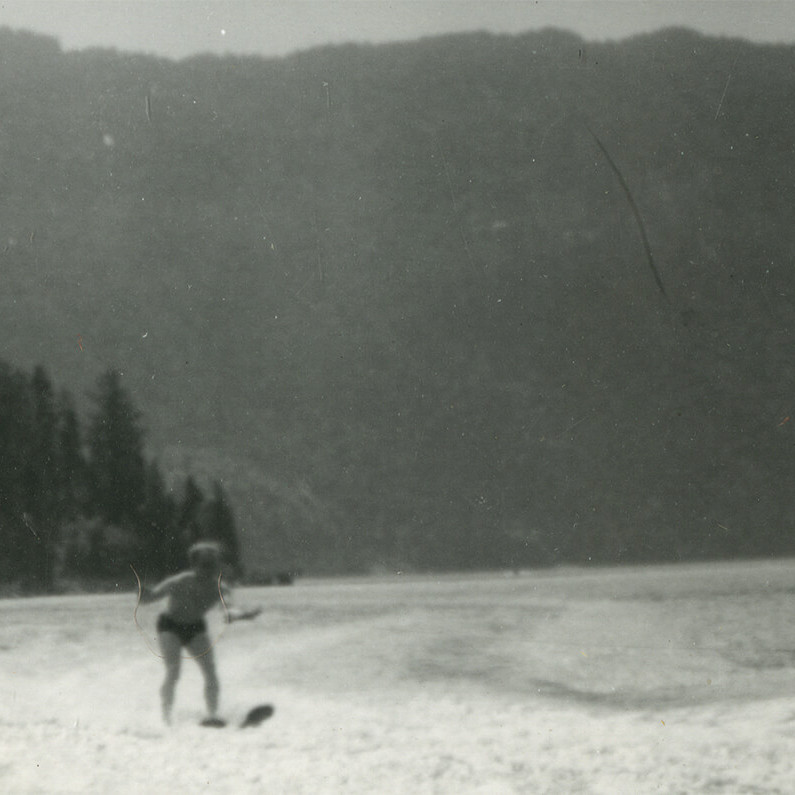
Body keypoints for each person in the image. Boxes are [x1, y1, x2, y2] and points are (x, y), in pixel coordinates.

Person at [138, 540, 261, 725]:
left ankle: (212, 716)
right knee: (174, 671)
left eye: (213, 565)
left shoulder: (221, 588)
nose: (209, 569)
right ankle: (165, 717)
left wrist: (244, 615)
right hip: (169, 625)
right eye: (205, 565)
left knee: (210, 672)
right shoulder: (180, 581)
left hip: (195, 627)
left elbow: (227, 610)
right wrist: (142, 591)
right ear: (195, 565)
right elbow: (149, 599)